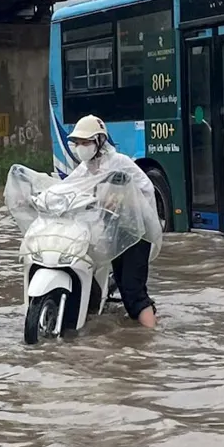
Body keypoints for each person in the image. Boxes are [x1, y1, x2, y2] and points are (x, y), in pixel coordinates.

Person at [64, 114, 160, 329]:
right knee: (124, 287)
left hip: (136, 232)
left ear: (99, 141)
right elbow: (67, 187)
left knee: (133, 290)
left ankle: (151, 338)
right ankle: (147, 321)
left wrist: (122, 199)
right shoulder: (86, 168)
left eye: (86, 142)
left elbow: (146, 189)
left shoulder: (120, 162)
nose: (81, 147)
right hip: (114, 233)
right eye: (78, 142)